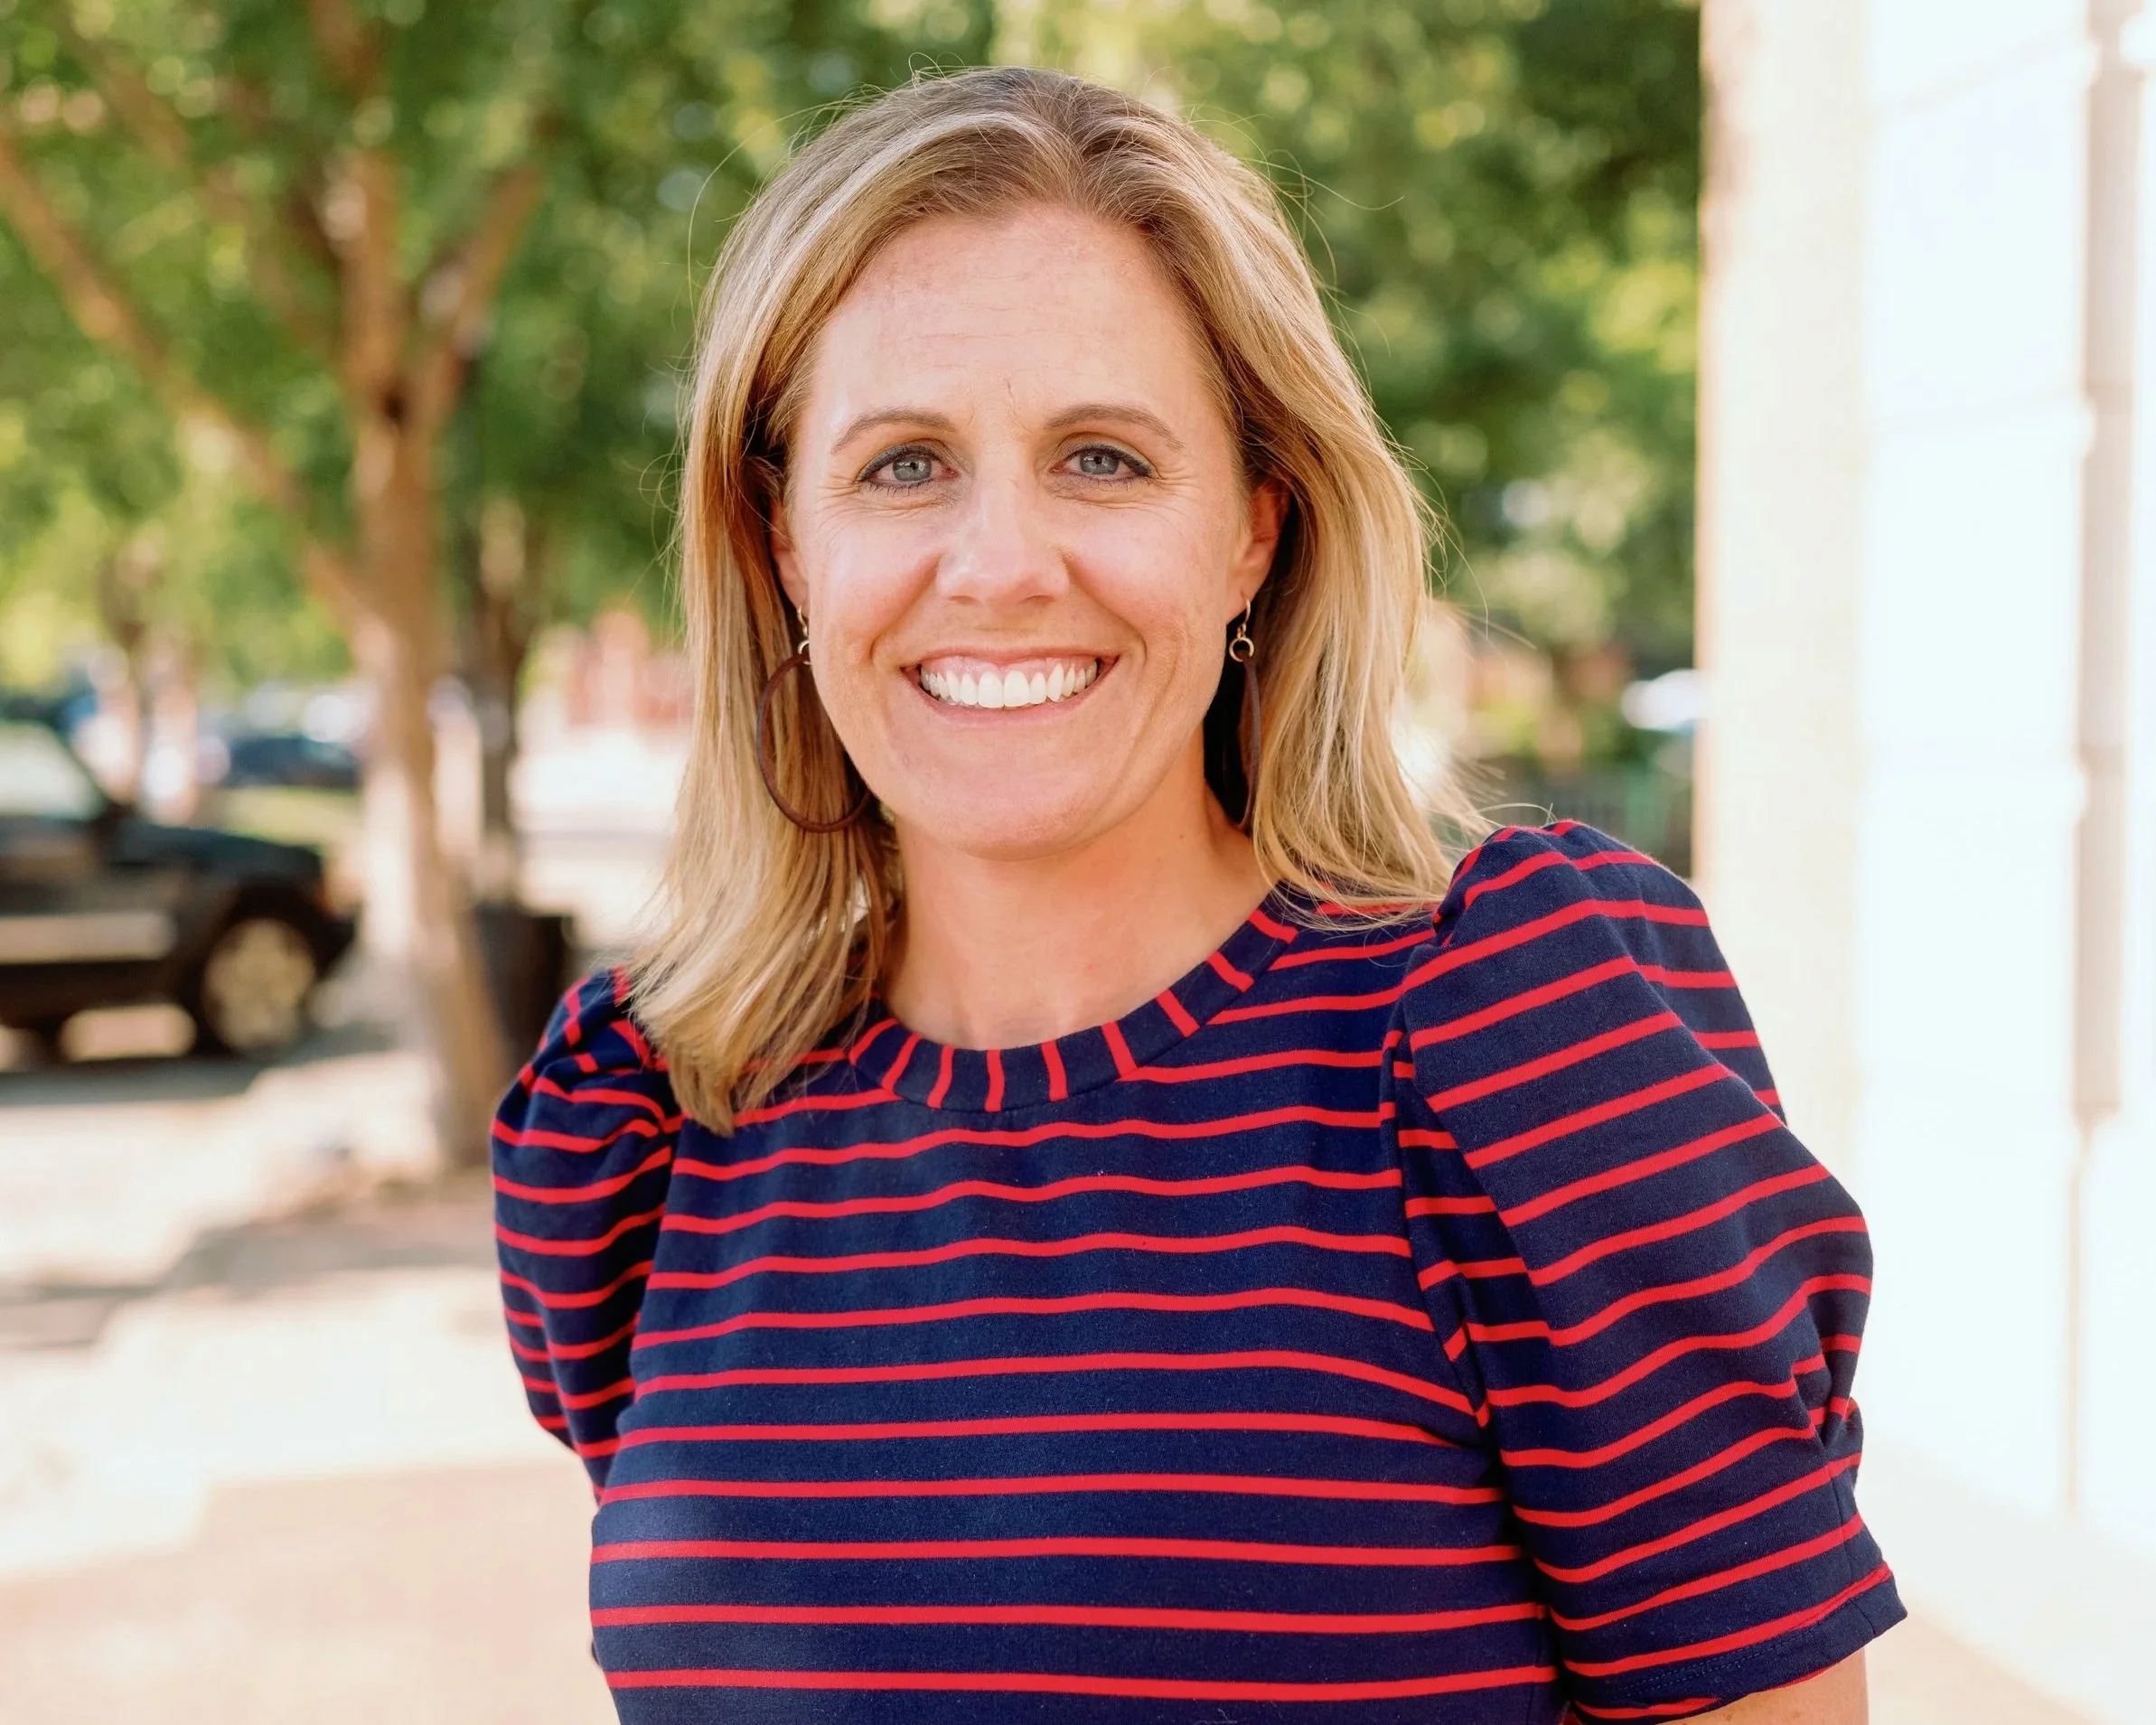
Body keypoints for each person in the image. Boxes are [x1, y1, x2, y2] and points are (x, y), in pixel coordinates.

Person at [493, 67, 1900, 1724]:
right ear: (784, 546)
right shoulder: (652, 1119)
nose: (1001, 562)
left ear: (1250, 533)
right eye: (900, 466)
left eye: (1099, 458)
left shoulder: (1507, 1044)